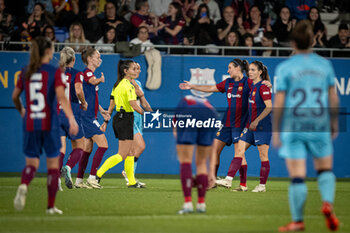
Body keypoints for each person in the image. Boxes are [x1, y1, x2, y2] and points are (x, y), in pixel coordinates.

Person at [273, 20, 339, 232]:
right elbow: (333, 98)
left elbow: (280, 101)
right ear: (312, 41)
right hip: (319, 124)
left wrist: (275, 130)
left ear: (292, 43)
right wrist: (334, 123)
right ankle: (327, 202)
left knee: (298, 176)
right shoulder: (324, 65)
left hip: (294, 126)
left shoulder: (285, 68)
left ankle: (298, 221)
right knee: (325, 170)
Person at [12, 36, 78, 214]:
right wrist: (71, 119)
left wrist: (22, 111)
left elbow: (14, 97)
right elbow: (62, 97)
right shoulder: (53, 71)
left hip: (31, 123)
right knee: (52, 166)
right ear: (48, 52)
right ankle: (50, 206)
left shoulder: (26, 71)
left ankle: (24, 185)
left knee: (31, 164)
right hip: (50, 123)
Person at [179, 59, 251, 191]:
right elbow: (211, 88)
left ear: (238, 68)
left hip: (240, 124)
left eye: (230, 68)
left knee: (239, 153)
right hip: (226, 123)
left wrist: (266, 83)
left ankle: (243, 185)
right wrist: (192, 86)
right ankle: (212, 180)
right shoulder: (228, 82)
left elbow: (259, 90)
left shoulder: (248, 82)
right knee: (214, 150)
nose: (228, 70)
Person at [101, 62, 152, 186]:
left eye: (139, 69)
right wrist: (106, 120)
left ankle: (131, 178)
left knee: (133, 151)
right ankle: (124, 175)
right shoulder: (120, 85)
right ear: (126, 71)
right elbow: (113, 104)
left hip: (138, 120)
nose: (138, 71)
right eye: (135, 68)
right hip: (129, 119)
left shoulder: (137, 84)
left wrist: (151, 113)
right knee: (139, 147)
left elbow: (143, 102)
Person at [173, 95, 218, 214]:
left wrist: (181, 153)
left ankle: (188, 204)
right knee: (202, 162)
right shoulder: (208, 105)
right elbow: (213, 147)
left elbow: (176, 131)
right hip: (211, 115)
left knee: (185, 160)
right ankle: (201, 204)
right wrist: (212, 172)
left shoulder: (183, 103)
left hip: (190, 113)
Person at [74, 47, 110, 189]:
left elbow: (92, 97)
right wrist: (99, 80)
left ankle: (78, 181)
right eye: (97, 56)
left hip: (89, 115)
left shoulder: (89, 74)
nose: (99, 59)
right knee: (104, 145)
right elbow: (92, 81)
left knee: (87, 150)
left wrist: (101, 110)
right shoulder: (88, 73)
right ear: (89, 59)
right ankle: (92, 178)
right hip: (87, 117)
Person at [58, 47, 88, 189]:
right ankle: (68, 167)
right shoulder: (77, 73)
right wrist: (83, 102)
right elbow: (78, 90)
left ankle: (56, 179)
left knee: (61, 148)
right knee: (80, 146)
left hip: (56, 114)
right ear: (74, 59)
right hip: (71, 115)